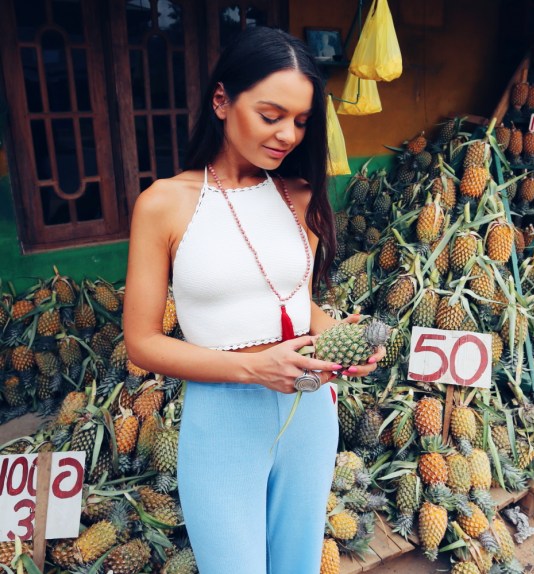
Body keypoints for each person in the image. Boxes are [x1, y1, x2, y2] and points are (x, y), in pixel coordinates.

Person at [123, 26, 384, 573]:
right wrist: (251, 369)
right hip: (222, 420)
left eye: (301, 121)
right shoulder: (164, 205)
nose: (288, 134)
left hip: (310, 410)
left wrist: (341, 335)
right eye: (272, 116)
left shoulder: (301, 195)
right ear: (222, 100)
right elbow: (142, 342)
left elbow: (297, 300)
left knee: (297, 565)